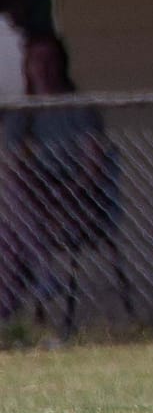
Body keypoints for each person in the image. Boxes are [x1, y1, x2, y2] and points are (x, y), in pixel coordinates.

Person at [0, 33, 118, 320]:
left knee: (10, 236)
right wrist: (40, 194)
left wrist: (64, 194)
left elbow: (93, 169)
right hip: (37, 204)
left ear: (61, 64)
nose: (43, 67)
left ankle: (16, 308)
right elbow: (12, 165)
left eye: (49, 60)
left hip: (80, 204)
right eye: (36, 61)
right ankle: (36, 284)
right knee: (5, 228)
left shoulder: (80, 109)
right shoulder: (23, 114)